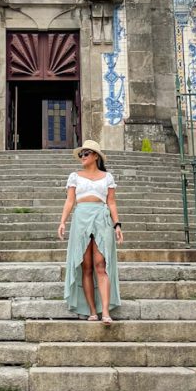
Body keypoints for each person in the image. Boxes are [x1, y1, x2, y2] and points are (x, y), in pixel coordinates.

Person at [57, 139, 123, 324]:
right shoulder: (75, 176)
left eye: (86, 153)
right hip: (81, 218)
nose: (82, 157)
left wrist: (117, 224)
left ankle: (106, 312)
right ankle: (92, 311)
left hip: (102, 218)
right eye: (81, 154)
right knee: (86, 266)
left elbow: (111, 202)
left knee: (101, 265)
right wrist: (62, 222)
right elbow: (70, 201)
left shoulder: (107, 177)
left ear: (95, 156)